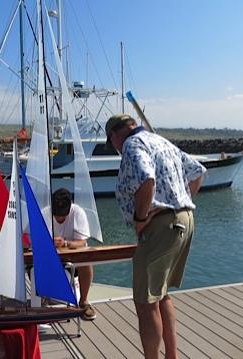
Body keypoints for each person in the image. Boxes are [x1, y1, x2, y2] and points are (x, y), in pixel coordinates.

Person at [105, 114, 206, 359]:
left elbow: (146, 178)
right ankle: (171, 355)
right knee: (160, 295)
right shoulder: (159, 140)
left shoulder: (132, 144)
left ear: (117, 135)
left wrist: (141, 220)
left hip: (161, 227)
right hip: (183, 220)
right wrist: (180, 202)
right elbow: (197, 172)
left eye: (112, 142)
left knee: (145, 302)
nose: (116, 148)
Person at [50, 188, 96, 321]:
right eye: (56, 214)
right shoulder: (45, 212)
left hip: (72, 259)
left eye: (62, 214)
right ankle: (41, 302)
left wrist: (65, 243)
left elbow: (82, 242)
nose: (59, 217)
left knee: (86, 262)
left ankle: (84, 301)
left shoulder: (78, 212)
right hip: (51, 258)